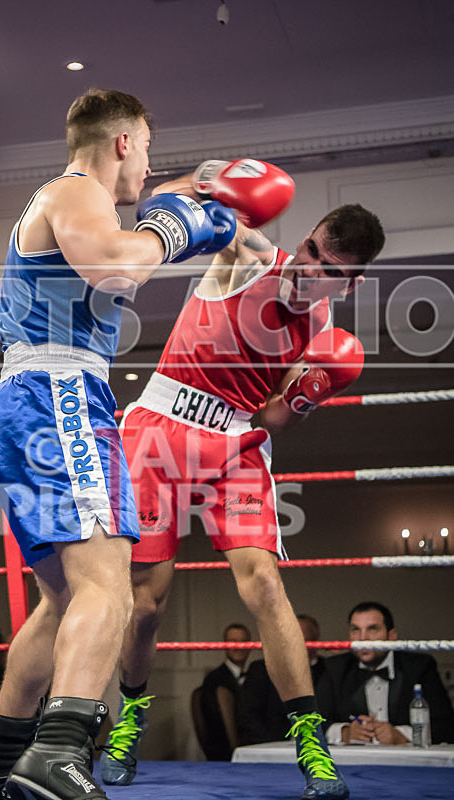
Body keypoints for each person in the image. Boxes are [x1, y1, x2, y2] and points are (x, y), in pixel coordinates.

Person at [0, 88, 224, 800]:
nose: (149, 166)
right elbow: (115, 265)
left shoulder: (77, 199)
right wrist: (174, 228)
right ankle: (58, 751)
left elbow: (151, 209)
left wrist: (197, 194)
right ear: (123, 142)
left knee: (60, 601)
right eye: (147, 149)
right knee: (110, 583)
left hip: (29, 401)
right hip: (60, 396)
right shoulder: (75, 191)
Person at [100, 157, 386, 800]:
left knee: (265, 583)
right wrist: (210, 178)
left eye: (330, 270)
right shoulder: (249, 254)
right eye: (312, 251)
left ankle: (311, 745)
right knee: (146, 602)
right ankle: (130, 719)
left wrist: (308, 395)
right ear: (305, 238)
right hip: (160, 427)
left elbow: (273, 416)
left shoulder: (321, 333)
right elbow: (157, 202)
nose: (310, 270)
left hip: (233, 441)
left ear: (352, 284)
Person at [316, 601, 454, 745]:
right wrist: (344, 732)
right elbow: (312, 722)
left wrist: (402, 735)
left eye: (372, 629)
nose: (363, 638)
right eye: (356, 630)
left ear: (391, 635)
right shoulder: (334, 668)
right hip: (352, 758)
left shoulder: (419, 666)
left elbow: (445, 725)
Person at [238, 614, 326, 745]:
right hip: (271, 746)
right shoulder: (262, 669)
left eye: (301, 638)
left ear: (315, 641)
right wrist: (273, 747)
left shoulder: (328, 669)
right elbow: (248, 716)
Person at [197, 622, 251, 760]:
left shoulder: (255, 676)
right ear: (224, 645)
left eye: (244, 641)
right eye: (233, 641)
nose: (239, 646)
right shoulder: (214, 679)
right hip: (225, 758)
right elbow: (217, 729)